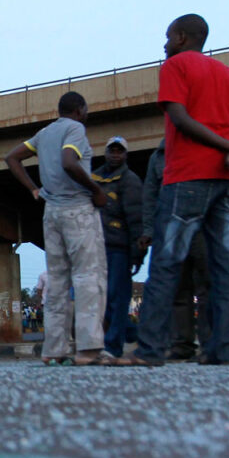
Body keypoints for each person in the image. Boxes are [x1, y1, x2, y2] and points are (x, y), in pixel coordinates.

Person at [119, 13, 229, 367]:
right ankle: (220, 349)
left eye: (168, 37)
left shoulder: (175, 66)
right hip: (228, 182)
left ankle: (150, 350)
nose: (164, 44)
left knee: (167, 262)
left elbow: (180, 118)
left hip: (187, 178)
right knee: (223, 265)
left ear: (182, 37)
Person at [4, 91, 111, 366]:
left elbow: (12, 157)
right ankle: (88, 349)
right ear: (79, 110)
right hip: (77, 209)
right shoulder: (75, 128)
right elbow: (68, 161)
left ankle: (54, 349)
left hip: (51, 212)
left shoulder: (43, 134)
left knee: (58, 281)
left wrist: (33, 190)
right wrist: (96, 189)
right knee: (89, 277)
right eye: (86, 110)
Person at [142, 140, 211, 360]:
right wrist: (148, 230)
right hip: (171, 230)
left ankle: (211, 343)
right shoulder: (157, 157)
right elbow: (150, 196)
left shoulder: (204, 147)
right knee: (179, 290)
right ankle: (182, 345)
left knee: (207, 288)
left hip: (202, 228)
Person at [93, 136, 144, 358]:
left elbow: (136, 219)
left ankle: (113, 346)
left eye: (119, 151)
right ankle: (137, 335)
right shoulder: (93, 178)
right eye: (111, 151)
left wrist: (138, 253)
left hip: (119, 248)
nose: (115, 155)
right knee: (102, 300)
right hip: (96, 247)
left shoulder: (130, 181)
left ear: (125, 155)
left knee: (117, 297)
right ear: (105, 153)